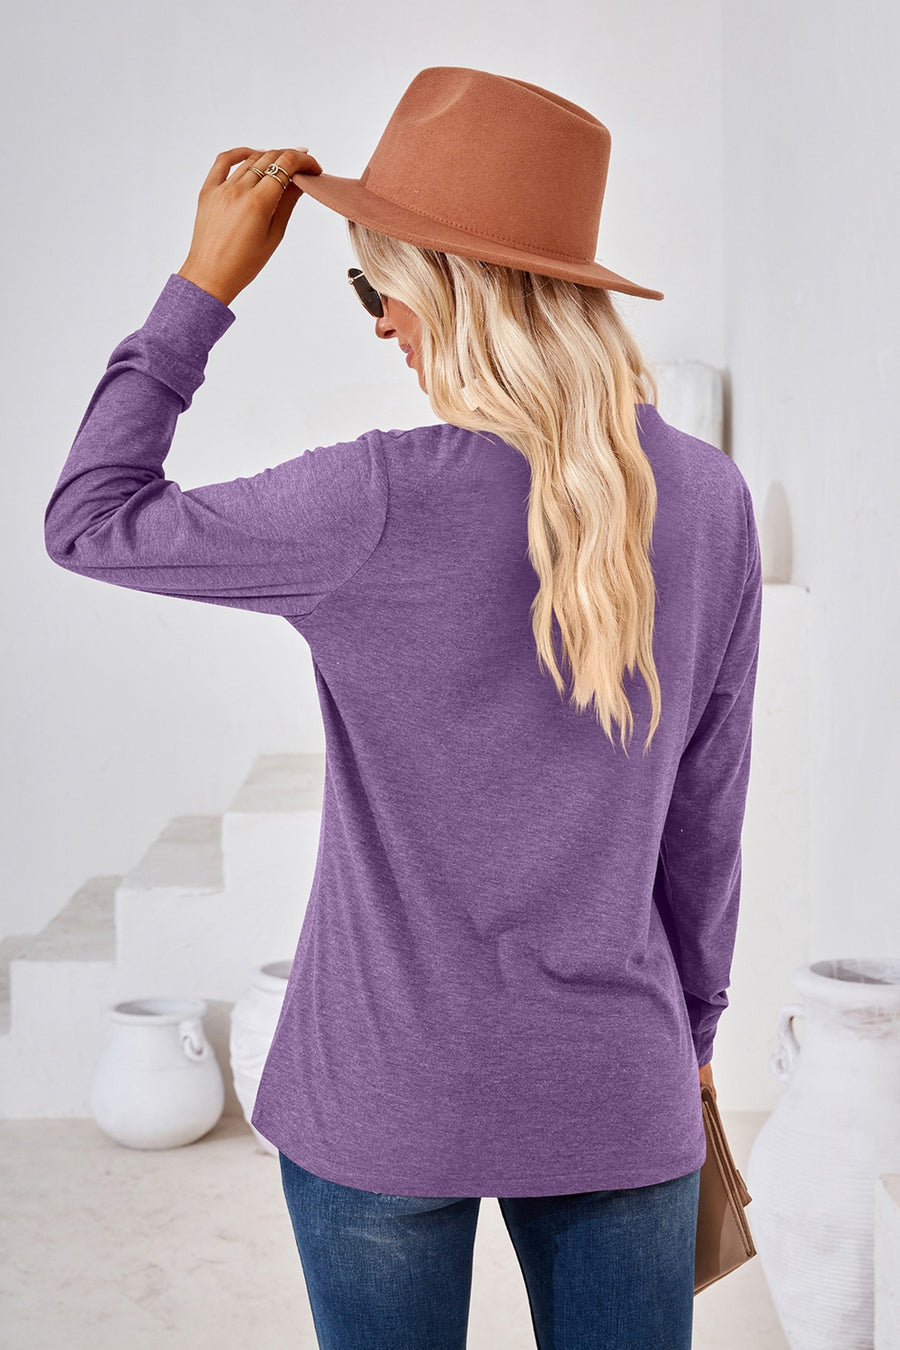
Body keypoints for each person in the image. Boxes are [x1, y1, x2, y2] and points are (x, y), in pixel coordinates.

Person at [45, 66, 761, 1350]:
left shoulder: (369, 501)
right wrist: (691, 1035)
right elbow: (707, 821)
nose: (381, 325)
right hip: (616, 1084)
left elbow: (89, 519)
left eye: (379, 288)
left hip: (382, 1092)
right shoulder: (709, 500)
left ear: (453, 294)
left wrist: (202, 287)